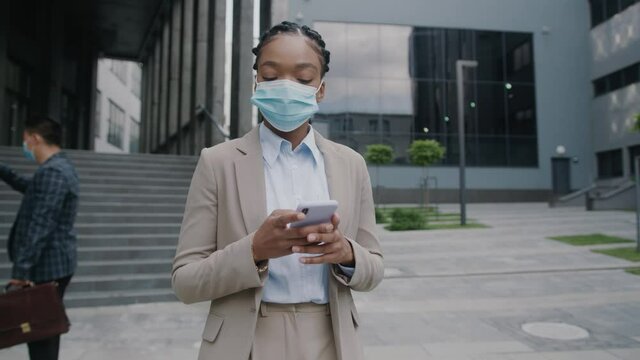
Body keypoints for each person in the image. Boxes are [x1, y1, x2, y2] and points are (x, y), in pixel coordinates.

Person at [172, 21, 384, 360]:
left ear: (321, 89)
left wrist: (346, 253)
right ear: (256, 81)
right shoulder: (218, 162)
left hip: (333, 339)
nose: (286, 87)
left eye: (302, 79)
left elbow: (374, 268)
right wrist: (254, 249)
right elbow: (185, 281)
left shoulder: (352, 164)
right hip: (246, 342)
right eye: (270, 76)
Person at [0, 115, 79, 360]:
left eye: (26, 141)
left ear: (35, 139)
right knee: (43, 332)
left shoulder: (54, 172)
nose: (26, 147)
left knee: (41, 336)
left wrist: (21, 272)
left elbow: (41, 224)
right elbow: (33, 190)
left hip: (47, 267)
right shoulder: (56, 169)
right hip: (53, 263)